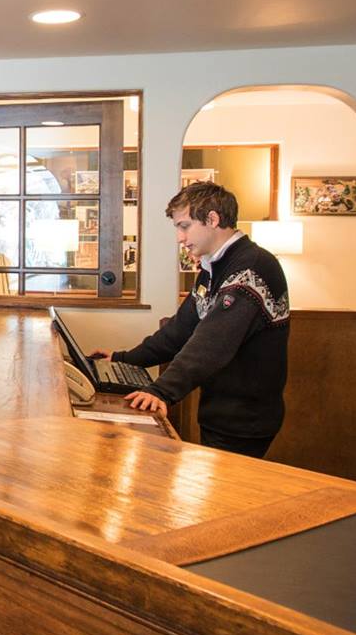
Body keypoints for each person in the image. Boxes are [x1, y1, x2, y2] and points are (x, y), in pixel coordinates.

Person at [91, 181, 290, 457]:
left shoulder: (252, 268)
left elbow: (213, 342)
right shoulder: (214, 267)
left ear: (212, 219)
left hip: (244, 419)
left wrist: (161, 391)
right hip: (221, 412)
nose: (180, 238)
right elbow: (179, 330)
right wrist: (123, 359)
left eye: (184, 226)